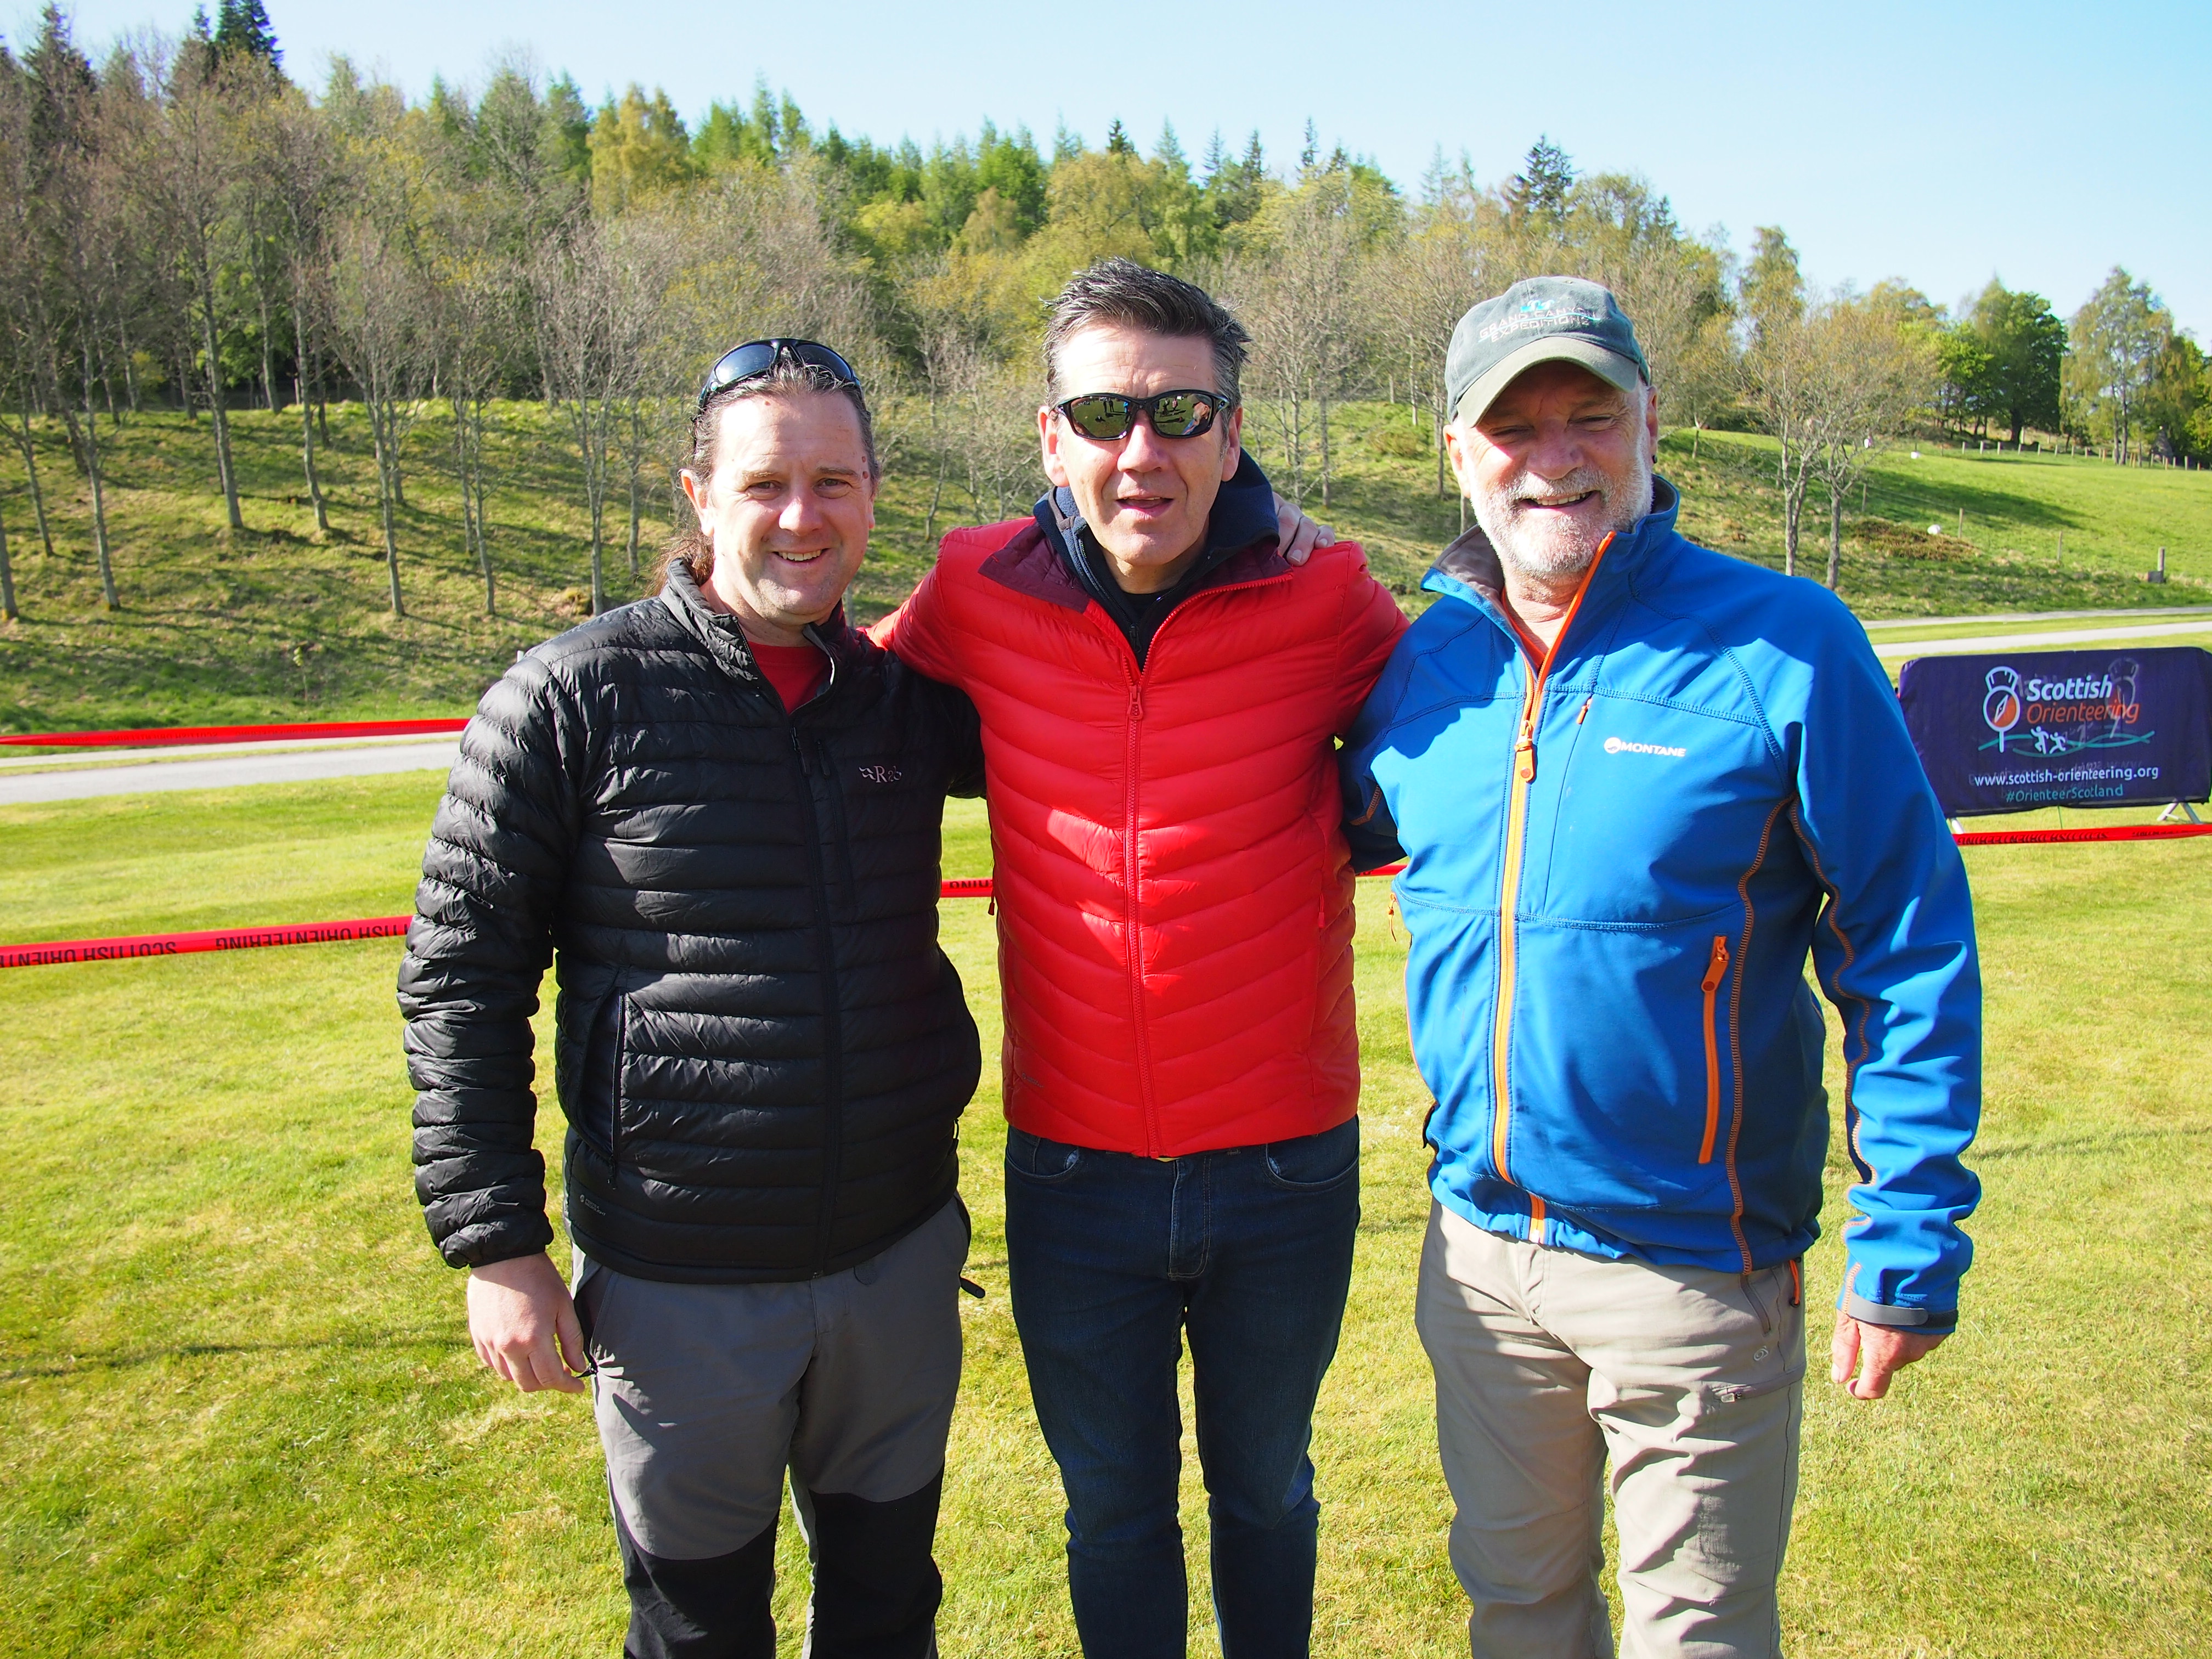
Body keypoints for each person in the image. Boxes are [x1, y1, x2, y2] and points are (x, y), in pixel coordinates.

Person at [1340, 276, 1982, 1659]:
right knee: (1517, 1614)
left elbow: (1909, 939)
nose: (1555, 457)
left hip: (1694, 1274)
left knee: (1696, 1639)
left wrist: (1910, 1227)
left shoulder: (1784, 643)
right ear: (1456, 453)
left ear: (1648, 422)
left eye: (1588, 415)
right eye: (1514, 427)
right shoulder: (1426, 663)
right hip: (1480, 1262)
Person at [399, 340, 985, 1659]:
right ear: (698, 495)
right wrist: (496, 1244)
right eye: (765, 482)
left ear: (874, 495)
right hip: (681, 1286)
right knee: (698, 1632)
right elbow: (460, 979)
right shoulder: (570, 695)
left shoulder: (903, 707)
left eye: (834, 482)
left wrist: (1244, 513)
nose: (801, 516)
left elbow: (1101, 636)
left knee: (890, 1612)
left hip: (896, 1264)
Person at [872, 258, 1407, 1657]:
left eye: (1181, 413)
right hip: (1074, 1172)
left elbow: (1463, 717)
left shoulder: (1329, 593)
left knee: (1267, 1491)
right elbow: (833, 707)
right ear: (1050, 436)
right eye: (1105, 413)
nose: (1142, 451)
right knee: (1111, 1511)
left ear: (1234, 435)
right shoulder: (972, 585)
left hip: (1284, 1168)